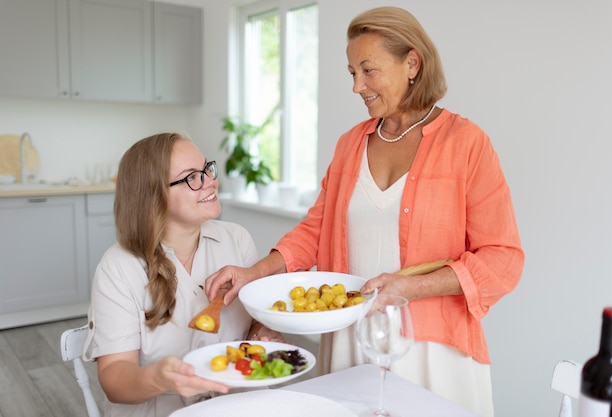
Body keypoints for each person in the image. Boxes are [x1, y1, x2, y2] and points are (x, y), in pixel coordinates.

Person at [205, 6, 524, 417]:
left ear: (412, 63)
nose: (357, 86)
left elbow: (503, 259)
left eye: (368, 70)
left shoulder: (467, 143)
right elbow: (314, 230)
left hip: (433, 352)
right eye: (351, 72)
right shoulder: (350, 144)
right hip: (354, 341)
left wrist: (411, 288)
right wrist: (255, 272)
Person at [84, 132, 284, 417]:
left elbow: (254, 324)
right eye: (192, 177)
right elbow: (114, 379)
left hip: (240, 404)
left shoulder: (237, 239)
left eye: (207, 169)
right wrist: (159, 377)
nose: (211, 181)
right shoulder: (118, 268)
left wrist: (262, 333)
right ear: (153, 195)